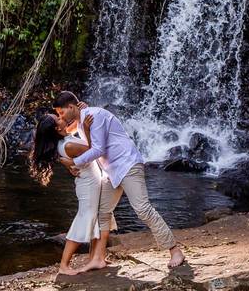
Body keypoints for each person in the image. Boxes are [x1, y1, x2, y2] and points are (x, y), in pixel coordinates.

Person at [53, 91, 186, 271]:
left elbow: (98, 149)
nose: (61, 117)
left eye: (61, 113)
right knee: (102, 211)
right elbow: (63, 132)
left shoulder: (94, 116)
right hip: (111, 172)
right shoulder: (82, 120)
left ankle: (175, 250)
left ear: (70, 107)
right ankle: (98, 259)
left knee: (143, 209)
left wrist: (74, 162)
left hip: (128, 165)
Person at [30, 111, 115, 275]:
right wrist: (88, 130)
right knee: (85, 219)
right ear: (57, 128)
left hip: (91, 180)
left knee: (94, 218)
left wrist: (81, 112)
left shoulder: (64, 140)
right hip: (88, 184)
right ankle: (64, 265)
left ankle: (95, 258)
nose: (62, 118)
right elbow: (93, 150)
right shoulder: (68, 145)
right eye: (59, 119)